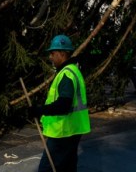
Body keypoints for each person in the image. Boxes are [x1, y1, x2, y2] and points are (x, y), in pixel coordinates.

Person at [28, 35, 90, 172]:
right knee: (67, 167)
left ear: (62, 54)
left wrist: (39, 110)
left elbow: (63, 105)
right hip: (73, 129)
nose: (50, 57)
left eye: (52, 53)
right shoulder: (74, 71)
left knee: (47, 169)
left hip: (63, 132)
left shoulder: (66, 74)